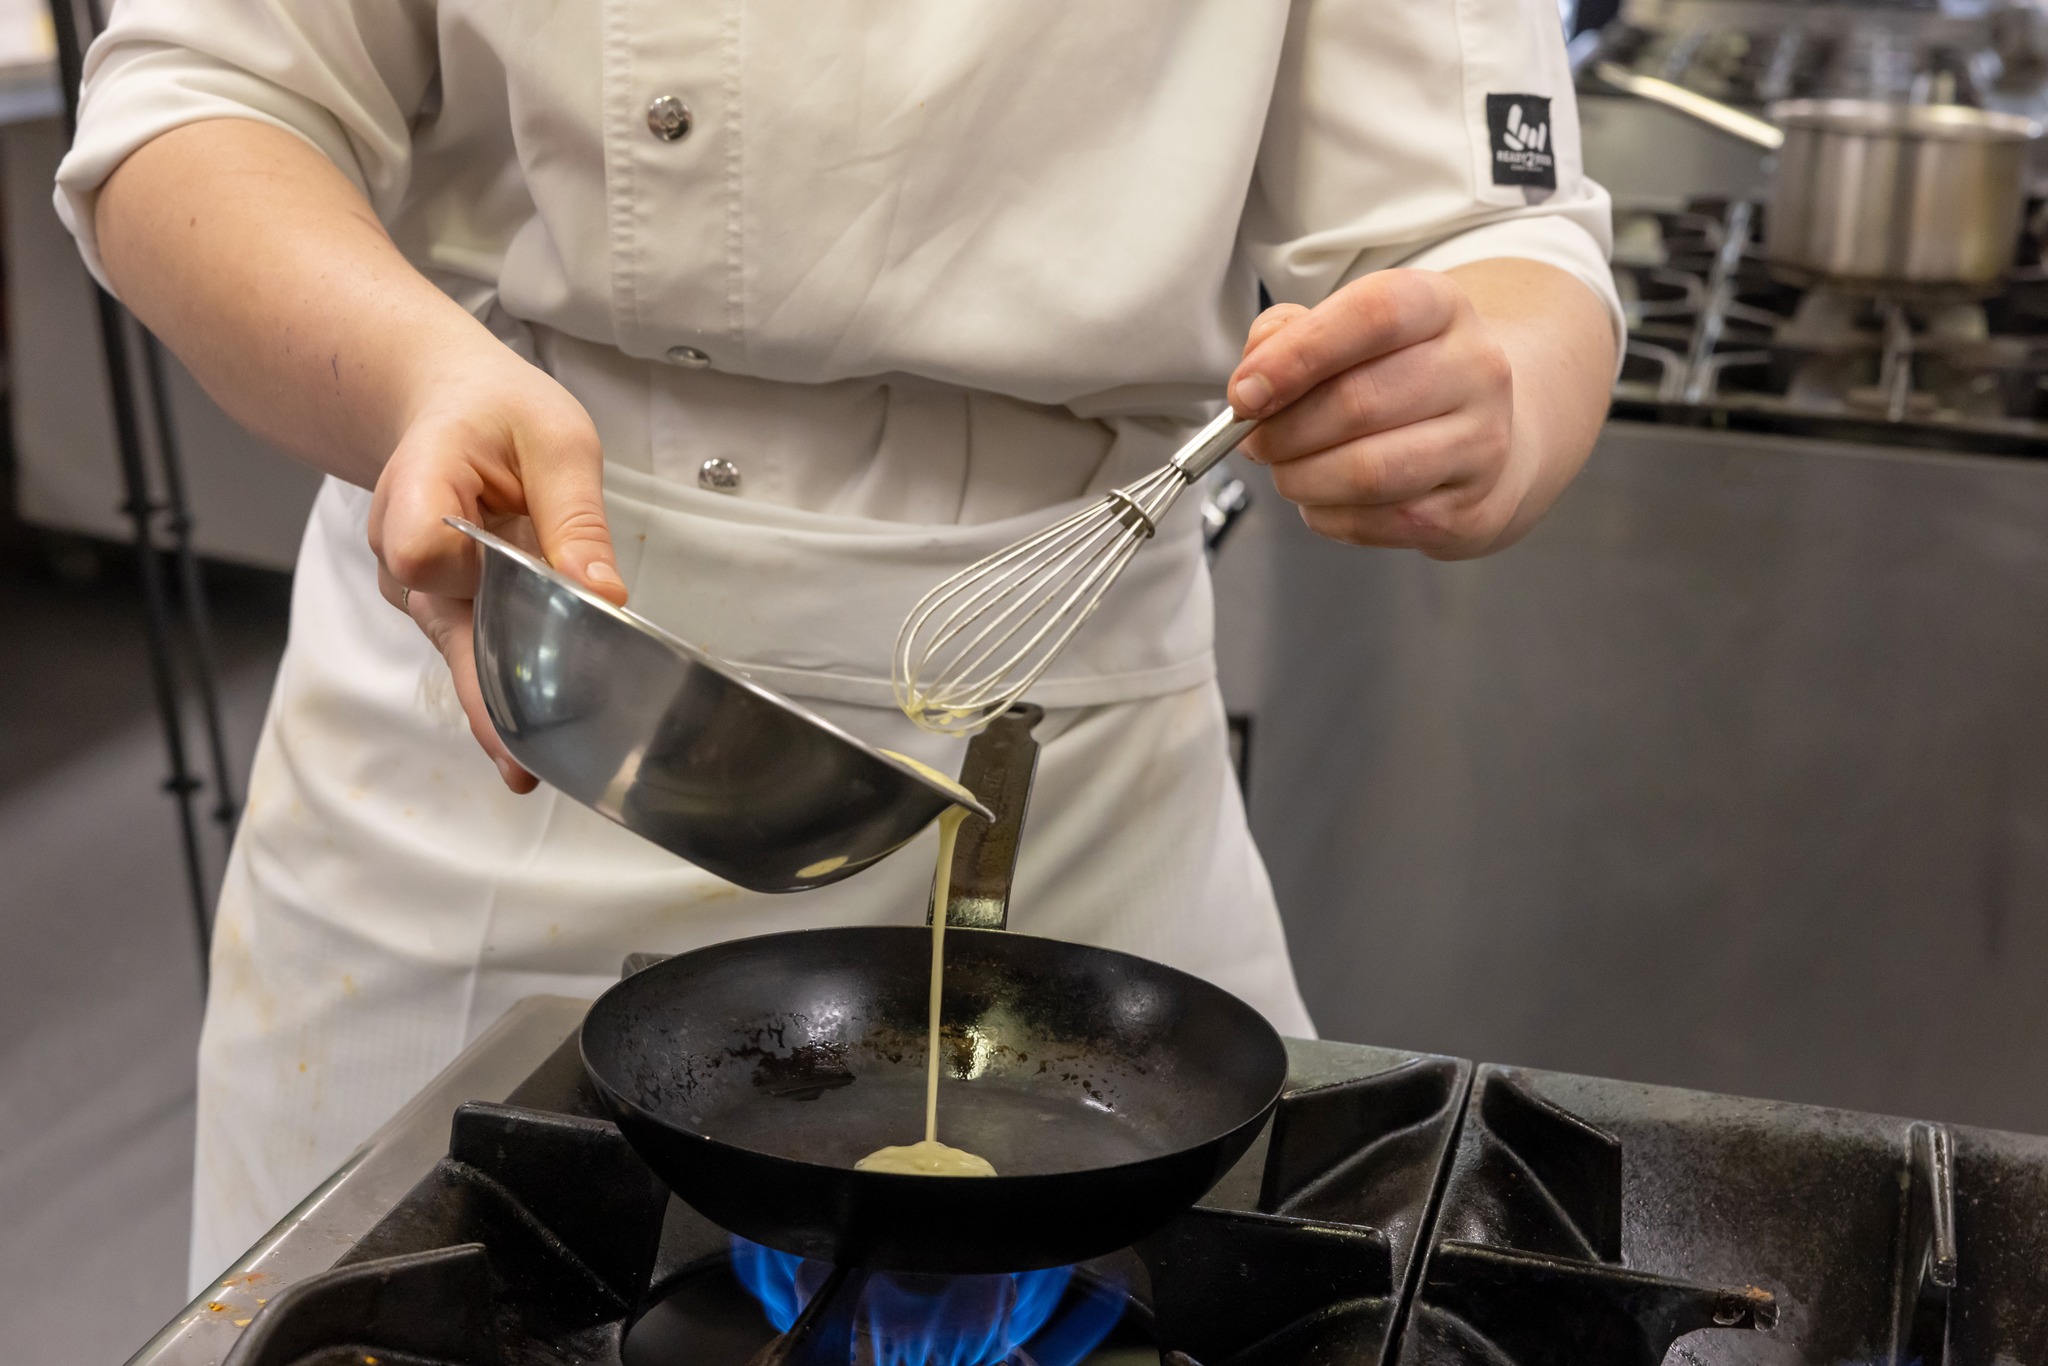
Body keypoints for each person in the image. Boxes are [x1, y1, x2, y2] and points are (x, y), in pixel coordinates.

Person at [56, 1, 1620, 1293]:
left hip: (1079, 782)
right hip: (519, 679)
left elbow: (1496, 236)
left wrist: (1488, 395)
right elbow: (200, 101)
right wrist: (417, 381)